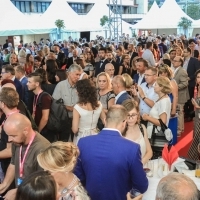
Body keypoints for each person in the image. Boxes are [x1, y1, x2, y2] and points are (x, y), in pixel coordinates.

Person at [74, 105, 148, 200]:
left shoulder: (83, 142)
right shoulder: (132, 148)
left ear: (104, 120)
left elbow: (78, 176)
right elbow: (141, 185)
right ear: (124, 123)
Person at [0, 113, 50, 200]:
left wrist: (18, 191)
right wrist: (4, 185)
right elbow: (13, 164)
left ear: (25, 131)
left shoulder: (42, 149)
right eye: (8, 135)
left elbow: (42, 182)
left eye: (13, 136)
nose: (9, 140)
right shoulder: (17, 141)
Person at [142, 77, 172, 156]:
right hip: (153, 133)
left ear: (162, 87)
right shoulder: (161, 99)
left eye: (156, 85)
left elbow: (162, 122)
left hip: (156, 136)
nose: (154, 86)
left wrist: (148, 118)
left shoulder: (164, 101)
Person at [53, 64, 81, 141]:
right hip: (63, 121)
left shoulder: (80, 86)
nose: (78, 77)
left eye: (79, 75)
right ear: (69, 73)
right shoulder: (60, 86)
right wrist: (68, 108)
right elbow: (55, 104)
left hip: (77, 121)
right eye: (77, 74)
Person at [72, 79, 105, 144]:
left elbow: (75, 130)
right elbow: (105, 121)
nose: (76, 91)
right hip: (95, 135)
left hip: (82, 137)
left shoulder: (77, 107)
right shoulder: (99, 104)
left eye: (77, 89)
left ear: (81, 92)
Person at [122, 99, 153, 165]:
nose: (130, 118)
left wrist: (141, 163)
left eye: (133, 115)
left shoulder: (142, 128)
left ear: (138, 114)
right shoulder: (120, 131)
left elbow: (149, 151)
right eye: (128, 115)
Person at [27, 72, 53, 142]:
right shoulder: (35, 95)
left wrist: (38, 131)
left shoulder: (45, 97)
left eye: (29, 82)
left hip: (45, 132)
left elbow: (45, 118)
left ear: (37, 84)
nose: (27, 84)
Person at [172, 56, 190, 136]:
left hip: (180, 95)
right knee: (178, 112)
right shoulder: (175, 70)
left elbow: (185, 83)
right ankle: (180, 128)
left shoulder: (182, 71)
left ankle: (179, 130)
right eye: (173, 60)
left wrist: (174, 87)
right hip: (177, 94)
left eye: (175, 61)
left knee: (179, 112)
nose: (173, 62)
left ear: (180, 62)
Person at [188, 69, 200, 160]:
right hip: (197, 118)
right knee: (196, 140)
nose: (199, 79)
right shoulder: (197, 88)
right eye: (198, 77)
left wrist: (197, 106)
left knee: (197, 142)